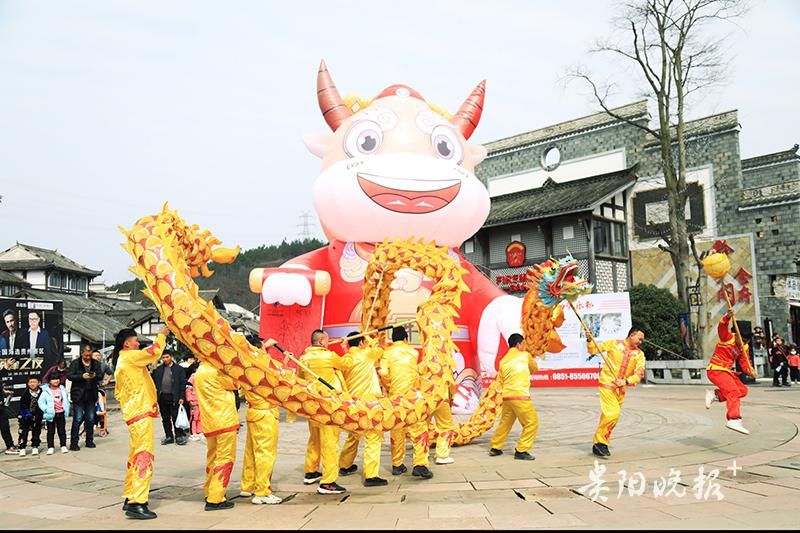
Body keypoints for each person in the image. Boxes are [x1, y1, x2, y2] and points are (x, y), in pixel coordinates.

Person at [114, 326, 169, 520]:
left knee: (135, 455)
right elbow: (154, 352)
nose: (138, 343)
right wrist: (162, 334)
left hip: (134, 413)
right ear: (127, 343)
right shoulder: (130, 356)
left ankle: (131, 495)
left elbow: (119, 392)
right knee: (144, 455)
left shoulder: (122, 360)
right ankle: (138, 501)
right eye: (135, 340)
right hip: (139, 413)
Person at [299, 329, 353, 494]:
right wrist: (346, 347)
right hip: (328, 406)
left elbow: (300, 378)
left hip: (312, 405)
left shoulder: (303, 358)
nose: (329, 343)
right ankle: (328, 482)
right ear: (322, 341)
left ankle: (311, 470)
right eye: (327, 340)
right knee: (330, 443)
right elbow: (347, 364)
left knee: (314, 438)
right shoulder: (329, 356)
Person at [378, 326, 433, 480]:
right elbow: (416, 375)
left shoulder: (386, 354)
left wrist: (390, 388)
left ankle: (397, 465)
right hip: (411, 398)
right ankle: (420, 464)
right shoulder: (413, 353)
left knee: (397, 431)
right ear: (405, 339)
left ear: (392, 339)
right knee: (419, 428)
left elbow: (383, 373)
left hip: (394, 398)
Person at [337, 332, 388, 487]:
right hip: (369, 403)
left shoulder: (346, 358)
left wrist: (346, 346)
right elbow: (380, 349)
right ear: (361, 342)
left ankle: (344, 465)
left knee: (354, 434)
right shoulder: (367, 354)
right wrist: (369, 339)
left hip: (353, 403)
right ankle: (371, 475)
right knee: (373, 436)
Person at [586, 326, 646, 458]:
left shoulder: (639, 354)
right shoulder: (614, 343)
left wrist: (626, 381)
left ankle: (598, 443)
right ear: (632, 335)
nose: (640, 342)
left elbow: (639, 373)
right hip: (607, 383)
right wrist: (589, 340)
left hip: (621, 389)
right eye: (639, 339)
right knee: (613, 413)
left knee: (610, 416)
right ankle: (601, 442)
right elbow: (593, 350)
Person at [237, 339, 282, 505]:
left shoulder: (243, 364)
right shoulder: (259, 364)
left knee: (251, 451)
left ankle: (247, 486)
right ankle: (262, 491)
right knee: (265, 453)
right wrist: (265, 350)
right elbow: (274, 374)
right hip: (265, 413)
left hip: (254, 412)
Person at [194, 361, 239, 511]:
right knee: (225, 458)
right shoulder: (218, 370)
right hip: (225, 420)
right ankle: (216, 498)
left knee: (212, 458)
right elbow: (235, 383)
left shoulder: (200, 370)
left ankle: (209, 491)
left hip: (210, 421)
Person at [704, 310, 757, 434]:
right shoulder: (727, 338)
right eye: (742, 340)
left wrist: (750, 371)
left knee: (743, 391)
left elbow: (745, 362)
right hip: (716, 370)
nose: (743, 343)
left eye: (746, 341)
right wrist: (727, 317)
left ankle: (715, 395)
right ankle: (734, 419)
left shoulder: (745, 347)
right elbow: (722, 326)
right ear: (736, 334)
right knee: (733, 391)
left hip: (727, 372)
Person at [488, 333, 538, 460]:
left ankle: (496, 447)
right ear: (518, 344)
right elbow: (534, 369)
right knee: (531, 423)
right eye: (523, 344)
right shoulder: (525, 355)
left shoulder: (503, 360)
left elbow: (501, 379)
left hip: (507, 396)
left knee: (505, 422)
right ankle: (522, 450)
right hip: (520, 396)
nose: (524, 346)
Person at [67, 344, 103, 451]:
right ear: (81, 353)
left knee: (91, 419)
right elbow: (69, 376)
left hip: (91, 394)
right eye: (86, 355)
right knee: (77, 419)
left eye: (89, 355)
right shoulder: (75, 363)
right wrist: (81, 376)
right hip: (78, 395)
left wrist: (94, 376)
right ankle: (74, 443)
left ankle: (89, 440)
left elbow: (101, 375)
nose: (88, 357)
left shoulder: (96, 363)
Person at [151, 350, 188, 446]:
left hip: (174, 396)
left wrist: (182, 396)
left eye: (167, 357)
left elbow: (182, 384)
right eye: (163, 357)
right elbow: (153, 382)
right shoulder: (159, 369)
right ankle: (169, 436)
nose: (165, 359)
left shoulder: (179, 369)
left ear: (171, 357)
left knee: (176, 417)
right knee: (165, 418)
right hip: (162, 397)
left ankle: (179, 436)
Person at [38, 373, 70, 455]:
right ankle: (50, 447)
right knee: (51, 431)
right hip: (50, 414)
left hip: (61, 413)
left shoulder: (62, 389)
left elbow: (65, 400)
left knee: (62, 431)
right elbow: (40, 402)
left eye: (57, 379)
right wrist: (46, 410)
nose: (56, 381)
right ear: (49, 381)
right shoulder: (45, 391)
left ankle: (63, 446)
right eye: (53, 379)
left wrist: (66, 408)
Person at [17, 377, 44, 456]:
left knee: (36, 431)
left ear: (39, 383)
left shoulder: (42, 392)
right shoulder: (25, 393)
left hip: (38, 415)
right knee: (24, 432)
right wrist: (27, 415)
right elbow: (23, 405)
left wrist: (37, 415)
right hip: (26, 416)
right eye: (30, 382)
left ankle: (35, 446)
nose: (32, 384)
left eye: (34, 382)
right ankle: (22, 447)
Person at [0, 357, 18, 454]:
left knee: (5, 427)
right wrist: (6, 366)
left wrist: (3, 392)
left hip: (1, 406)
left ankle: (10, 447)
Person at [185, 373, 202, 440]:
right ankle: (193, 432)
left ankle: (199, 431)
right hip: (194, 401)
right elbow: (188, 389)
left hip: (201, 401)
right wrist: (190, 399)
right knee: (194, 417)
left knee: (200, 417)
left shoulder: (203, 375)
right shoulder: (193, 377)